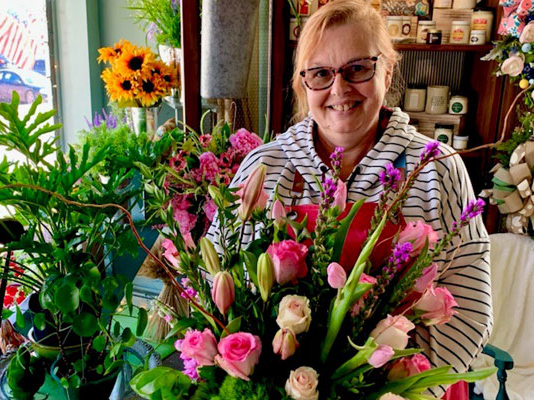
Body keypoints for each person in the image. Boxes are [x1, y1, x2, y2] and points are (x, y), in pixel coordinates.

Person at [206, 0, 492, 398]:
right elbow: (216, 282)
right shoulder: (265, 167)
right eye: (321, 73)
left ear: (387, 70)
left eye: (358, 68)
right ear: (303, 84)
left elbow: (470, 309)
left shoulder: (436, 170)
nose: (339, 89)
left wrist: (401, 391)